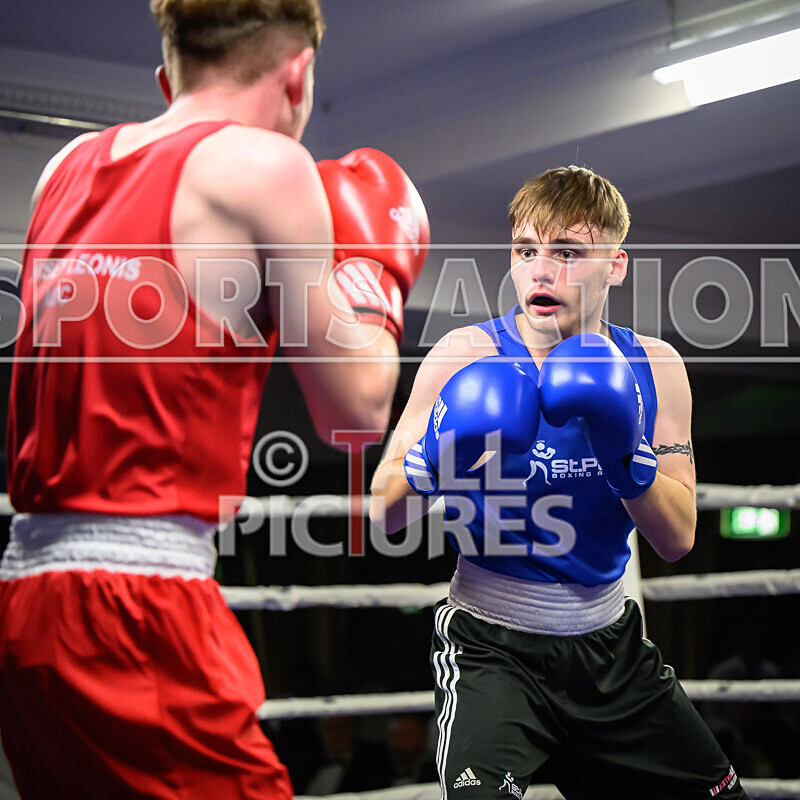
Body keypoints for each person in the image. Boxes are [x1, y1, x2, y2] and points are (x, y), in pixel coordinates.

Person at [0, 1, 428, 798]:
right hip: (138, 613)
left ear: (169, 75)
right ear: (297, 74)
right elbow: (356, 415)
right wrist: (375, 278)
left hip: (25, 603)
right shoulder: (265, 167)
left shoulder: (62, 172)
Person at [370, 165, 750, 799]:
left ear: (616, 265)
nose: (541, 272)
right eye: (526, 250)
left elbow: (679, 536)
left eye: (568, 252)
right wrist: (431, 458)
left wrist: (625, 457)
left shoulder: (655, 366)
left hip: (610, 655)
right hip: (492, 650)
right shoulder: (466, 357)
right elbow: (382, 512)